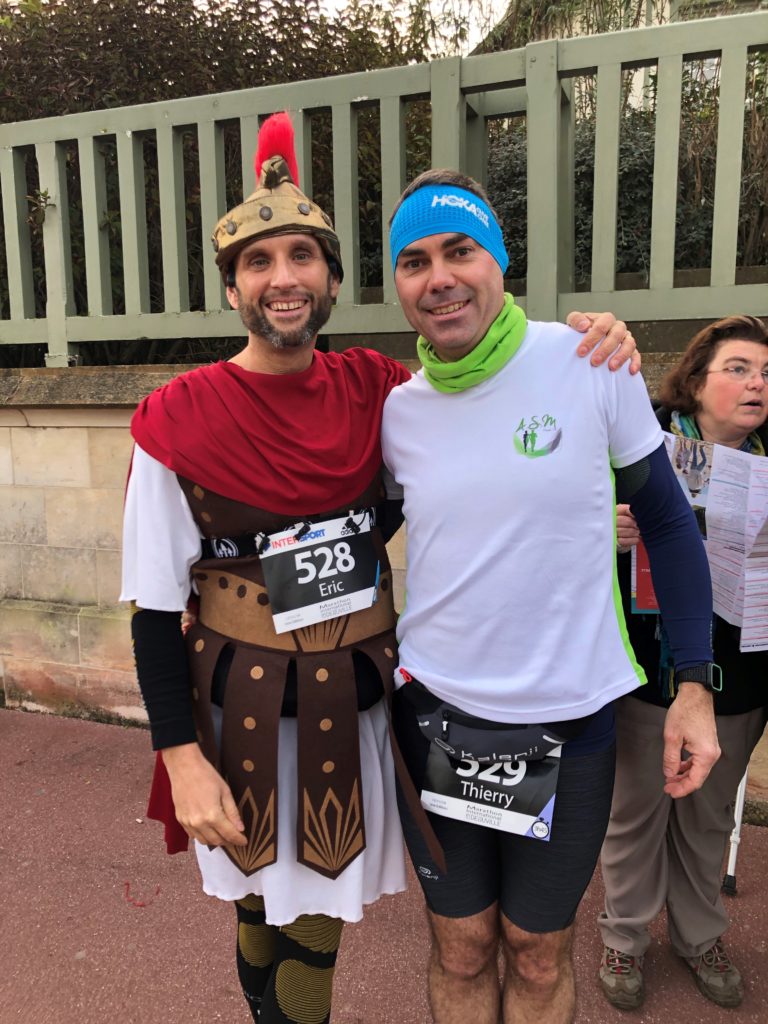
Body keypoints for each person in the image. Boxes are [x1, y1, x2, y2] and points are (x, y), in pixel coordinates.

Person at [120, 113, 637, 1024]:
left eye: (303, 258)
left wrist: (594, 341)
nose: (284, 279)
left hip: (348, 705)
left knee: (316, 917)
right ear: (232, 287)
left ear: (332, 280)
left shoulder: (380, 394)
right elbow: (154, 606)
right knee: (259, 904)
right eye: (258, 263)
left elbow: (462, 446)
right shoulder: (179, 419)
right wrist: (180, 755)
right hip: (239, 707)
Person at [380, 169, 722, 1024]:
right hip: (437, 715)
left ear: (500, 260)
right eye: (415, 261)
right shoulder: (396, 412)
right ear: (399, 284)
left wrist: (693, 684)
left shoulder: (589, 362)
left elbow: (668, 524)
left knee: (538, 954)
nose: (440, 277)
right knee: (461, 946)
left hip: (568, 726)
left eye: (460, 251)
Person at [598, 315, 768, 1012]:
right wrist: (603, 527)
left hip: (743, 674)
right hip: (647, 667)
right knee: (634, 811)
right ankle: (624, 936)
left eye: (766, 374)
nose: (757, 384)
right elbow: (558, 525)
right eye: (739, 369)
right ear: (695, 382)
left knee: (708, 816)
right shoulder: (638, 446)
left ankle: (700, 938)